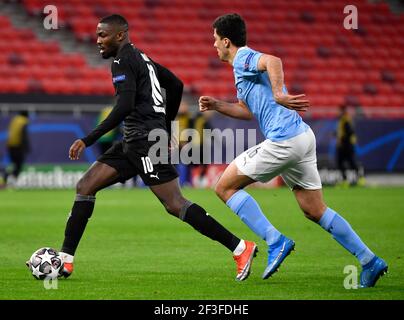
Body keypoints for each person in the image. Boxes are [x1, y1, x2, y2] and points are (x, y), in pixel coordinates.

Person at [25, 14, 258, 282]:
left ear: (120, 35)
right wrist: (167, 126)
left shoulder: (123, 60)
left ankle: (241, 248)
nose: (97, 40)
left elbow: (124, 106)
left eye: (103, 35)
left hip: (144, 141)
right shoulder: (141, 58)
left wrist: (88, 139)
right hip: (134, 141)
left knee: (175, 204)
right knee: (85, 186)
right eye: (97, 35)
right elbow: (176, 84)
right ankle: (65, 261)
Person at [198, 13, 387, 288]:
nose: (213, 45)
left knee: (224, 187)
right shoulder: (240, 69)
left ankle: (275, 240)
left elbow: (273, 61)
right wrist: (217, 105)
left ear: (226, 41)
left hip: (283, 141)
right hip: (301, 137)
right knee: (314, 209)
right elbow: (247, 111)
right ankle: (369, 260)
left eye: (215, 40)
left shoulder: (243, 57)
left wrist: (277, 93)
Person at [336, 105, 364, 186]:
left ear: (342, 111)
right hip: (344, 145)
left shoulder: (345, 119)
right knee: (341, 162)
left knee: (350, 162)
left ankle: (360, 178)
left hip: (346, 145)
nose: (337, 112)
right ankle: (346, 180)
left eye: (338, 111)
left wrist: (342, 139)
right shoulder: (343, 119)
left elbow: (350, 131)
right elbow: (344, 131)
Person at [6, 110, 30, 184]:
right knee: (18, 165)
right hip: (18, 147)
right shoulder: (23, 121)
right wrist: (26, 146)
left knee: (14, 164)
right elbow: (23, 134)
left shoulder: (14, 120)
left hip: (10, 145)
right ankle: (9, 180)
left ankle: (6, 178)